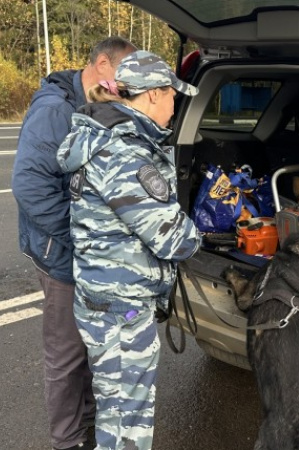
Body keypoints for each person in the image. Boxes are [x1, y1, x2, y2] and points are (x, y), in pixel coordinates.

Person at [56, 50, 201, 450]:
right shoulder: (125, 152)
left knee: (115, 408)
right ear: (153, 94)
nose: (176, 104)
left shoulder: (104, 136)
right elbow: (172, 237)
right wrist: (204, 230)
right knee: (128, 420)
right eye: (173, 95)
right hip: (122, 307)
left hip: (105, 296)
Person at [11, 36, 136, 450]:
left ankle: (87, 424)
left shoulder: (97, 102)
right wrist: (81, 239)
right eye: (125, 74)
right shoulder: (55, 110)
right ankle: (66, 442)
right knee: (66, 357)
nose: (129, 84)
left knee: (90, 348)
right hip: (64, 256)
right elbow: (30, 188)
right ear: (103, 63)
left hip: (92, 255)